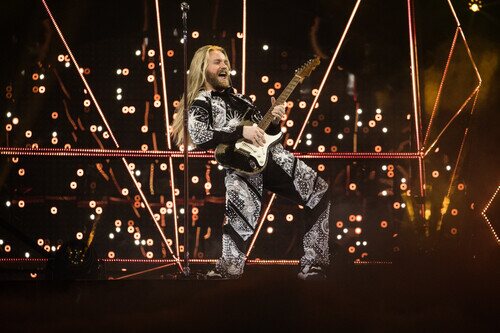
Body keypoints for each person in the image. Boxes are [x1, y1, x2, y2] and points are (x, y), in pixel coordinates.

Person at [172, 45, 331, 280]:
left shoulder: (242, 99)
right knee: (240, 219)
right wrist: (240, 131)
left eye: (225, 61)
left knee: (319, 190)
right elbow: (200, 135)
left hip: (275, 157)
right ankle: (227, 273)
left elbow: (264, 132)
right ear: (202, 69)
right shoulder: (200, 102)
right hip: (241, 165)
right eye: (217, 62)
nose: (224, 65)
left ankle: (313, 265)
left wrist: (275, 121)